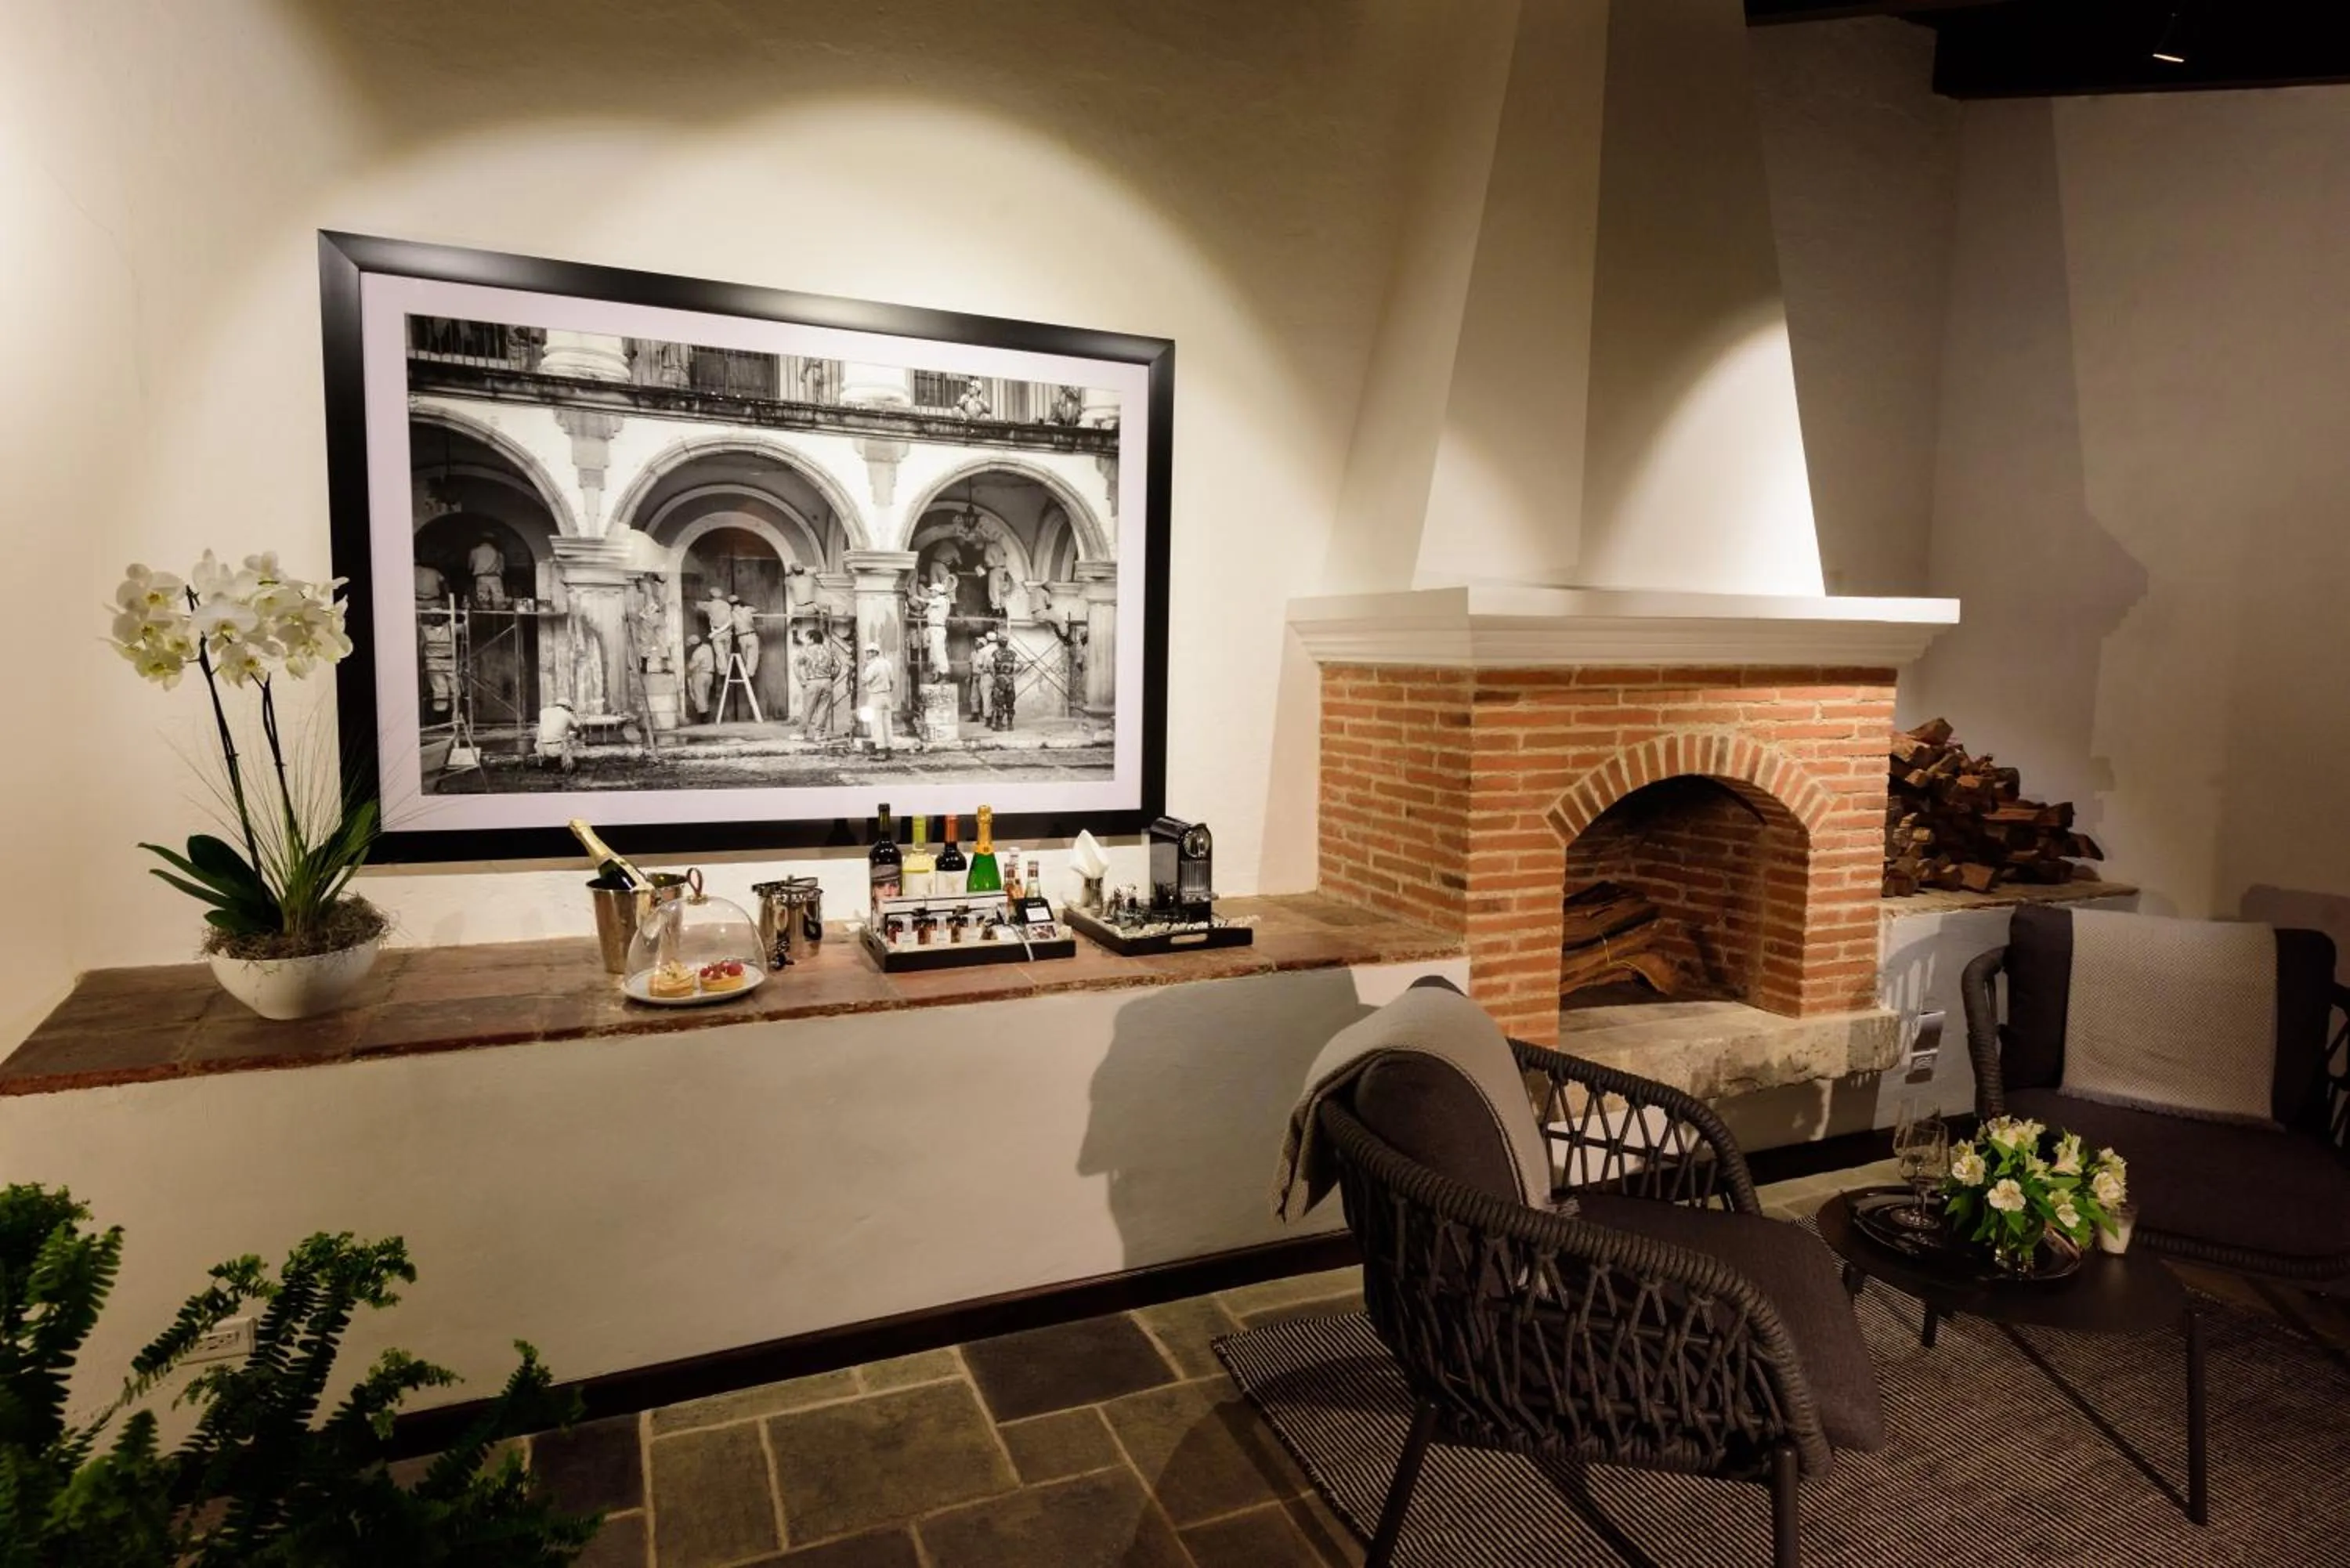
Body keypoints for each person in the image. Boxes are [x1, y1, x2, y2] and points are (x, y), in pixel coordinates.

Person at [414, 562, 454, 717]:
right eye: (433, 616)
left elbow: (465, 626)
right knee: (441, 691)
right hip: (434, 661)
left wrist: (453, 604)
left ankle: (455, 717)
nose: (435, 618)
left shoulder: (449, 627)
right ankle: (441, 719)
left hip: (450, 660)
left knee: (456, 690)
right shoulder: (424, 629)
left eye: (438, 615)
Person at [794, 628, 840, 739]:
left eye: (807, 637)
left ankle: (801, 733)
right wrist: (832, 678)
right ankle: (819, 734)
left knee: (808, 708)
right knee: (823, 709)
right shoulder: (829, 651)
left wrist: (801, 680)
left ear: (812, 639)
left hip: (812, 681)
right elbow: (838, 666)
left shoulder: (806, 651)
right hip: (827, 681)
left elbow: (796, 666)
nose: (805, 640)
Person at [859, 641, 896, 757]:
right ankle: (890, 748)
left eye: (869, 652)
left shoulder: (872, 666)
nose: (867, 655)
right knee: (887, 724)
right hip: (887, 695)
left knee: (876, 724)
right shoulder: (887, 663)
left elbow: (865, 681)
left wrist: (864, 669)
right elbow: (892, 681)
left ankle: (881, 750)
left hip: (876, 695)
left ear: (874, 653)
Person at [533, 702, 579, 771]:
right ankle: (567, 764)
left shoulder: (543, 712)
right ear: (567, 707)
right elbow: (578, 726)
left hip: (542, 748)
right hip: (559, 747)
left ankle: (542, 762)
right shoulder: (567, 714)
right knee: (572, 739)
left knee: (541, 734)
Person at [467, 536, 508, 609]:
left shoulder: (474, 551)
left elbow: (470, 566)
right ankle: (498, 615)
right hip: (495, 577)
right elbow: (502, 569)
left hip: (481, 577)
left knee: (483, 599)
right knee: (499, 600)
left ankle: (484, 615)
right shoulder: (499, 553)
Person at [700, 586, 735, 670]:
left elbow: (698, 605)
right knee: (727, 654)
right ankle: (727, 671)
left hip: (717, 632)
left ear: (711, 595)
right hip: (727, 632)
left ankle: (723, 672)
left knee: (720, 655)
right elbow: (731, 619)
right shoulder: (727, 605)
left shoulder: (710, 605)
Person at [989, 634, 1018, 732]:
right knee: (1010, 704)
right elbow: (1019, 666)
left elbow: (990, 666)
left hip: (999, 681)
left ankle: (999, 725)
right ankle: (1010, 724)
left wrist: (995, 676)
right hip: (1010, 681)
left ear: (998, 643)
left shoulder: (995, 654)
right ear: (1006, 644)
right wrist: (1012, 675)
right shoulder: (1013, 654)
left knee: (999, 704)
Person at [729, 594, 761, 679]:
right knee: (753, 656)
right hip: (751, 634)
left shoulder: (731, 613)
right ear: (739, 602)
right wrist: (745, 603)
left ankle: (748, 673)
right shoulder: (747, 609)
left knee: (745, 657)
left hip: (741, 637)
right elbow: (756, 609)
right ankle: (750, 673)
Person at [685, 635, 715, 720]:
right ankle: (706, 713)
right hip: (710, 675)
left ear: (694, 645)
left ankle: (703, 716)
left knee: (699, 696)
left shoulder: (697, 653)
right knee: (706, 695)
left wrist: (687, 666)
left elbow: (692, 666)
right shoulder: (708, 648)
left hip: (700, 675)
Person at [971, 631, 996, 724]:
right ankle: (998, 719)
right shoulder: (1001, 649)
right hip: (999, 676)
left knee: (987, 697)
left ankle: (989, 720)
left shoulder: (983, 651)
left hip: (987, 676)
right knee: (999, 697)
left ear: (987, 640)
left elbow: (980, 665)